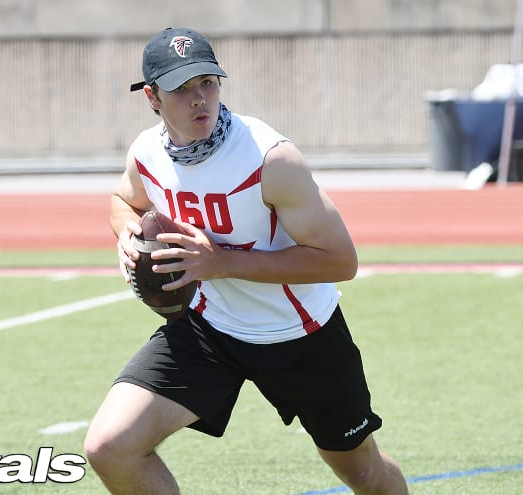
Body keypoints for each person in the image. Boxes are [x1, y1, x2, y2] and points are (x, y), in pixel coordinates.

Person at [84, 27, 409, 495]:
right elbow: (124, 199)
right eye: (182, 89)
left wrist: (221, 263)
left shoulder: (270, 158)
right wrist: (128, 236)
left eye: (208, 83)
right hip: (209, 327)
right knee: (110, 446)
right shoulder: (147, 152)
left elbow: (340, 260)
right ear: (153, 98)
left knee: (362, 472)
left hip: (301, 334)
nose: (200, 100)